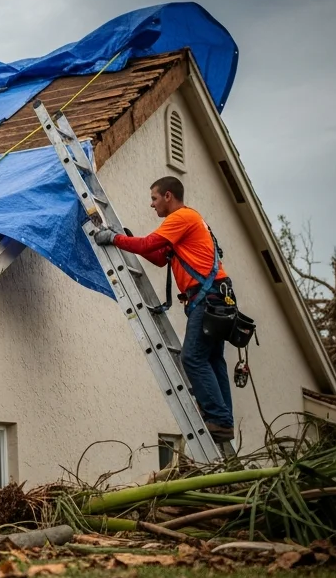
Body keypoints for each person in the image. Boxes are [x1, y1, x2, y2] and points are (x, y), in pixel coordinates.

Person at [94, 176, 236, 442]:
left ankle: (218, 419)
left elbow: (149, 244)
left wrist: (114, 238)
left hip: (208, 299)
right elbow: (159, 257)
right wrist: (128, 239)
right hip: (217, 298)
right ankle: (222, 419)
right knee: (213, 360)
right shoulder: (191, 222)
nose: (152, 205)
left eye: (154, 198)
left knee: (193, 358)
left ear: (168, 196)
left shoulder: (181, 218)